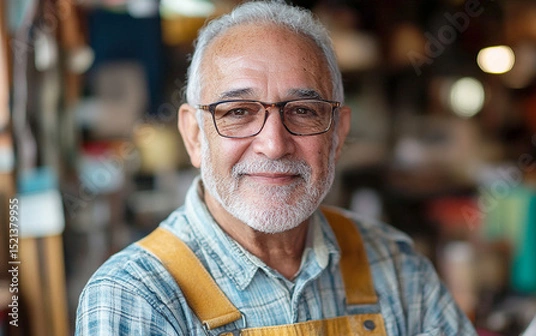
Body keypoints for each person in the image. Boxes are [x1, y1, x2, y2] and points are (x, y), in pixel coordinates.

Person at [75, 1, 477, 335]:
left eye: (302, 111)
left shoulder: (395, 266)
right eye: (237, 112)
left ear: (337, 135)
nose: (273, 144)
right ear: (194, 136)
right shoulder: (136, 297)